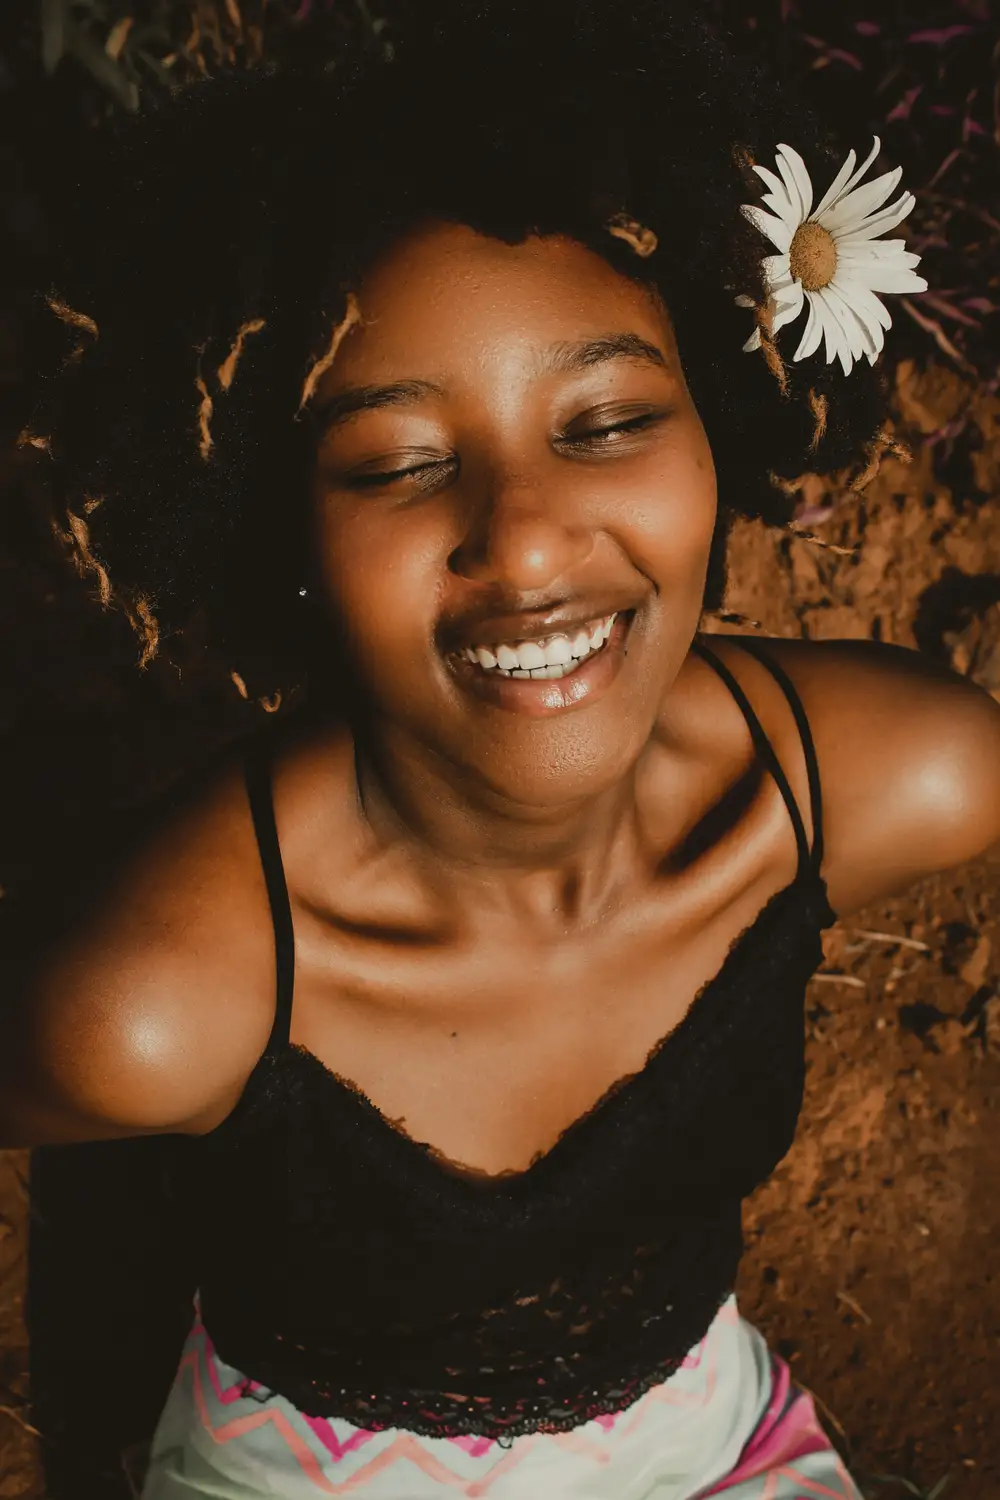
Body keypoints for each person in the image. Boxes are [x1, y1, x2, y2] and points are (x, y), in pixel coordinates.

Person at [5, 2, 999, 1495]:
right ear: (275, 539)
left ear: (723, 429)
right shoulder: (155, 1003)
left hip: (707, 1443)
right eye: (401, 463)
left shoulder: (898, 779)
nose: (526, 539)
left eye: (603, 423)